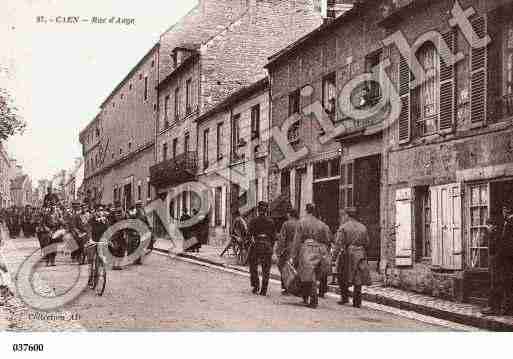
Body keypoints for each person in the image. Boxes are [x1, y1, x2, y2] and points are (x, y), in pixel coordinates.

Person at [291, 204, 331, 308]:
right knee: (313, 274)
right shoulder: (322, 224)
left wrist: (294, 255)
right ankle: (307, 297)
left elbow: (297, 240)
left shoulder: (302, 222)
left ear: (306, 210)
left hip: (306, 248)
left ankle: (311, 299)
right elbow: (327, 240)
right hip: (319, 249)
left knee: (306, 274)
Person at [334, 208, 371, 308]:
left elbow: (339, 243)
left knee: (342, 274)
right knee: (358, 276)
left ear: (347, 215)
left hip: (348, 253)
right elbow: (367, 242)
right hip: (360, 254)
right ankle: (357, 301)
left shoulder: (344, 227)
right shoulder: (363, 227)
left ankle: (344, 297)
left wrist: (334, 256)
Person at [248, 201, 276, 296]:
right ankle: (264, 290)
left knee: (253, 265)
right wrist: (270, 246)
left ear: (258, 210)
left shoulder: (254, 221)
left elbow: (249, 234)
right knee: (266, 268)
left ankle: (256, 286)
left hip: (257, 244)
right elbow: (273, 237)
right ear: (266, 210)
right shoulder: (271, 222)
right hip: (267, 245)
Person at [276, 208, 299, 295]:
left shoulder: (286, 224)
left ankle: (287, 287)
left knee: (283, 266)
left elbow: (282, 238)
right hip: (299, 249)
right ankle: (297, 289)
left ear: (290, 214)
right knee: (296, 268)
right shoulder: (300, 223)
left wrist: (279, 251)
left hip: (288, 248)